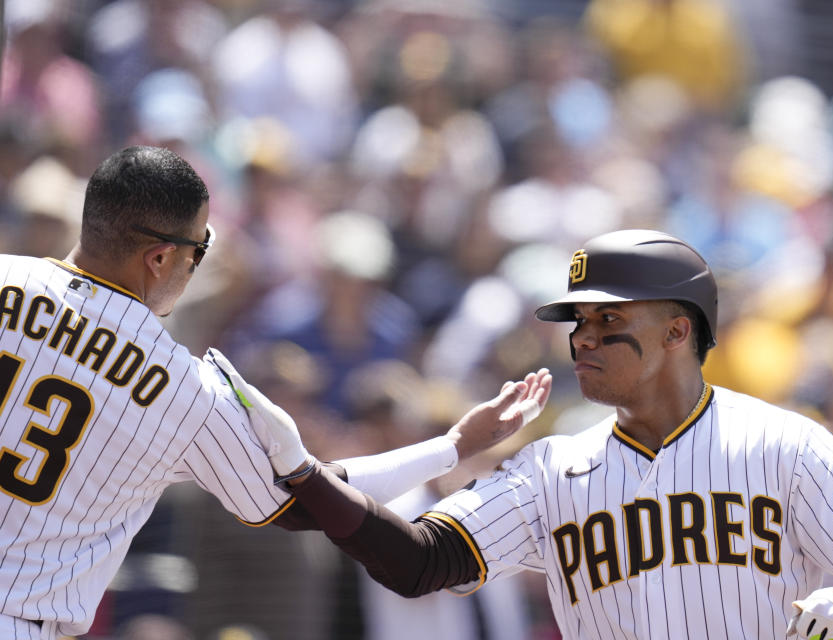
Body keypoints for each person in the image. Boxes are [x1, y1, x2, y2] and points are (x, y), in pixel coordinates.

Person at [234, 229, 833, 639]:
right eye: (579, 322)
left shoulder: (788, 444)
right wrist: (306, 473)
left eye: (609, 321)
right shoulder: (552, 468)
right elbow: (420, 562)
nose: (583, 338)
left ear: (677, 331)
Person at [0, 145, 551, 639]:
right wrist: (451, 447)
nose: (197, 262)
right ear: (161, 257)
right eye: (200, 247)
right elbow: (310, 497)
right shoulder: (185, 388)